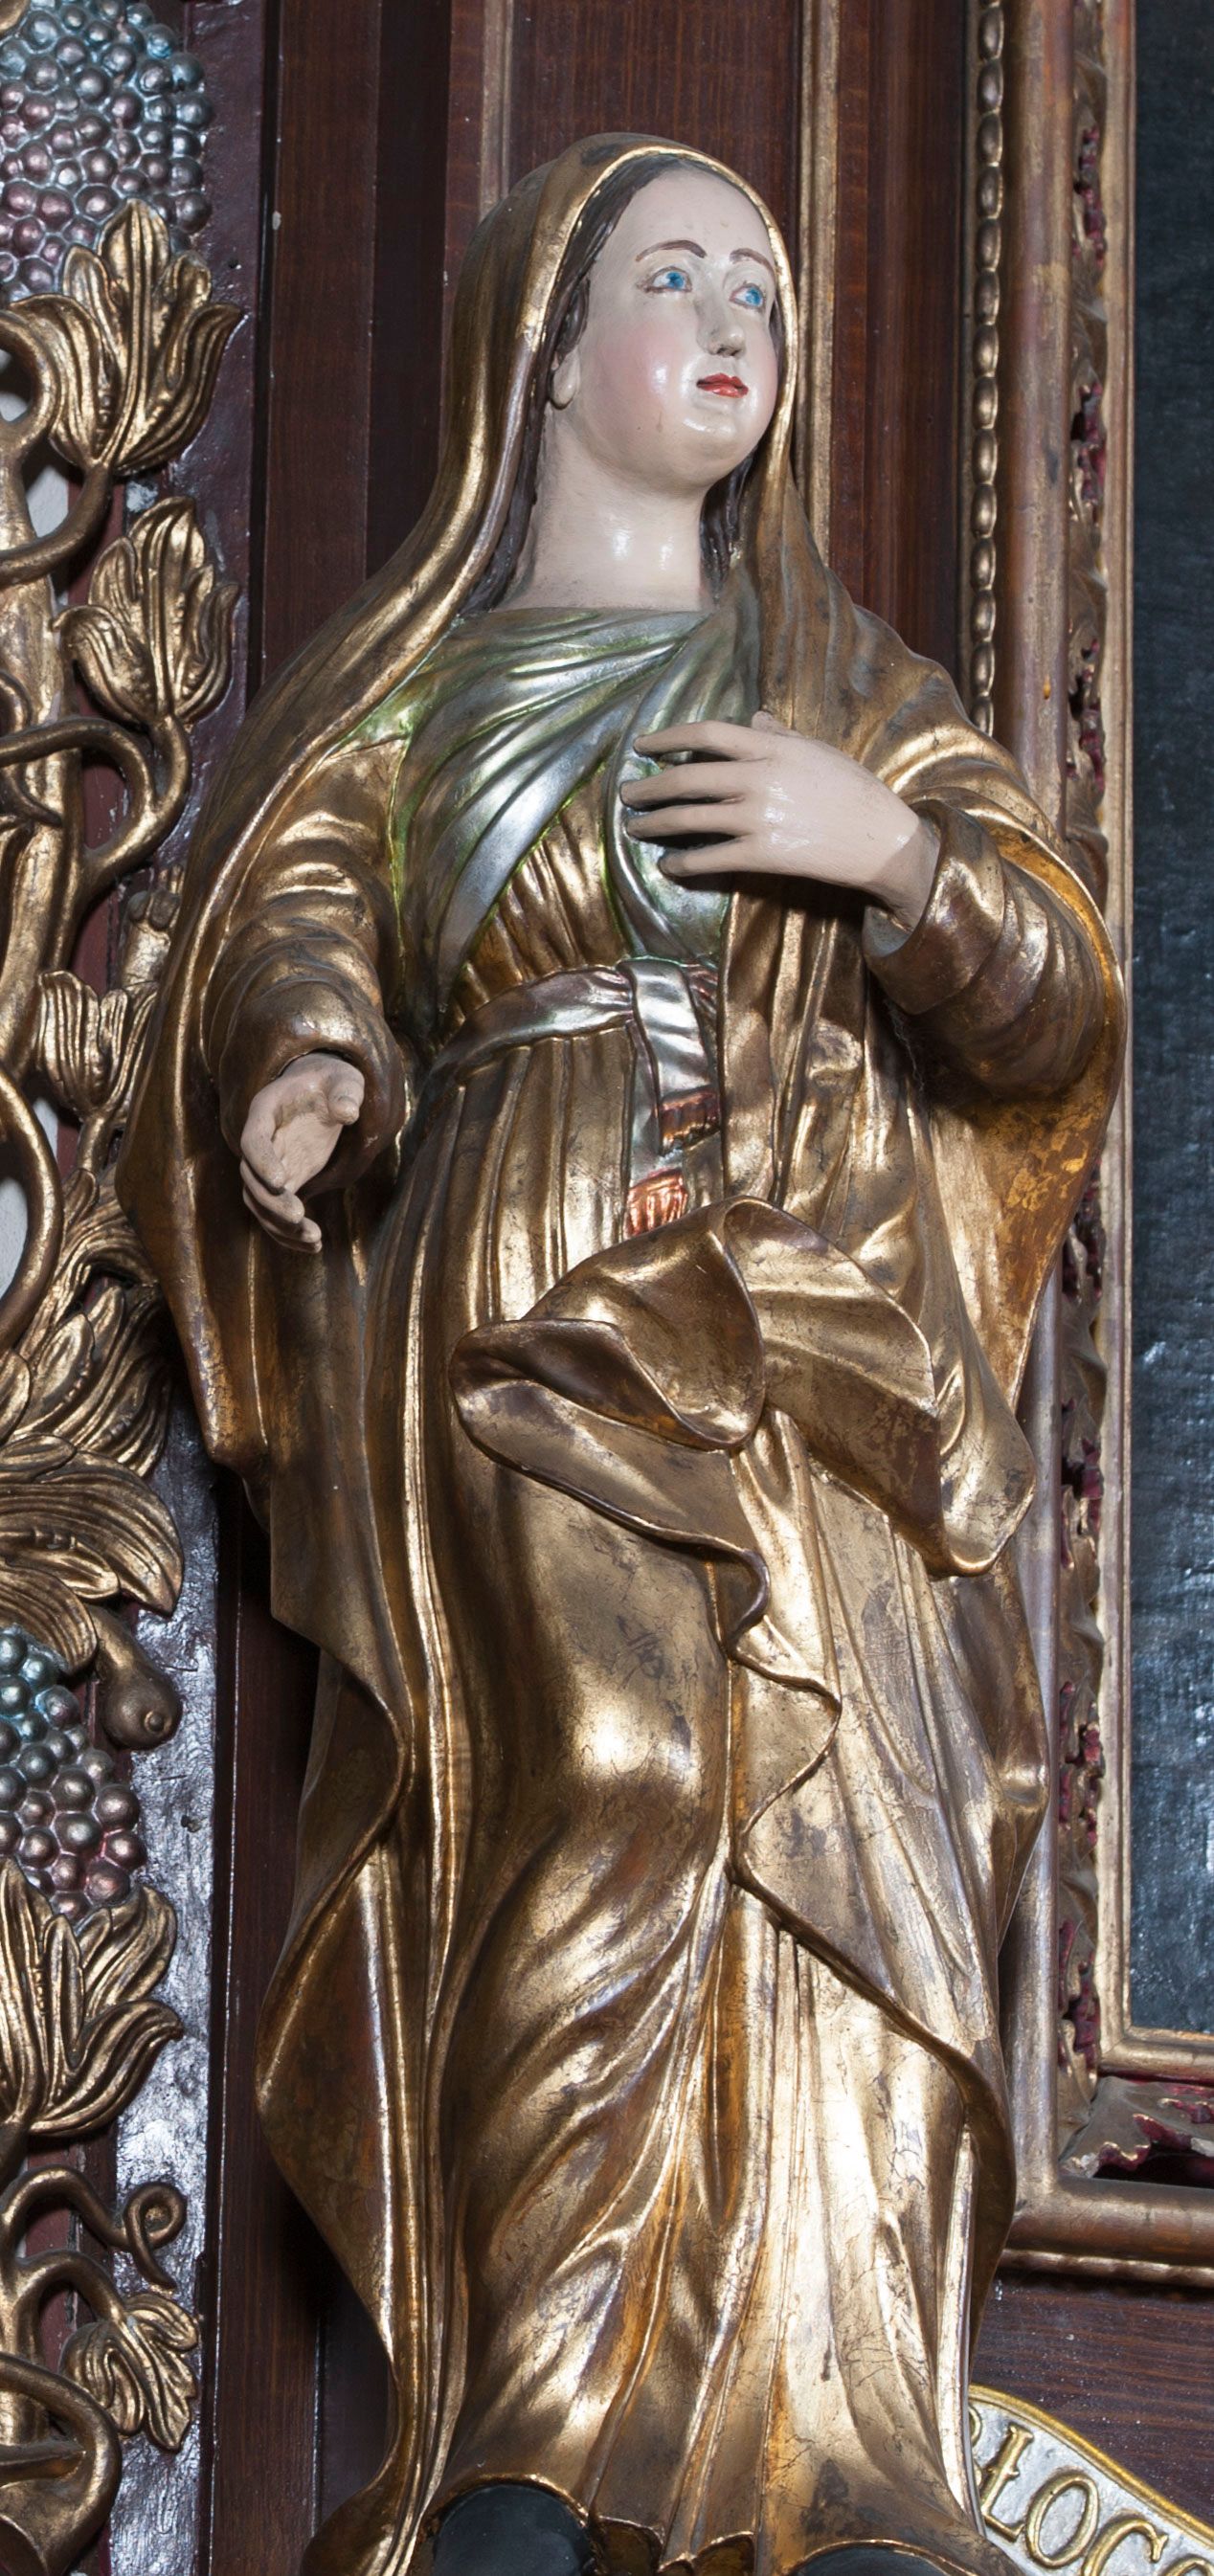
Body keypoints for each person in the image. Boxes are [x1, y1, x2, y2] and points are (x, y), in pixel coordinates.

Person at [118, 134, 1122, 2576]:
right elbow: (298, 911)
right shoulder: (418, 692)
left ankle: (844, 2442)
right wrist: (312, 1062)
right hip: (532, 1267)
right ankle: (532, 2435)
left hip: (816, 1314)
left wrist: (893, 860)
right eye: (677, 277)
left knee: (846, 1819)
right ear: (546, 352)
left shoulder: (850, 696)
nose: (737, 321)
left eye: (764, 287)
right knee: (610, 1760)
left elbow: (1051, 1007)